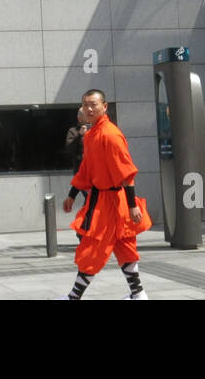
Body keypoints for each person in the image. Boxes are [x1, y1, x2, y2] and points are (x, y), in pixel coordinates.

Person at [59, 90, 152, 300]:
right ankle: (138, 294)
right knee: (123, 246)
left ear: (105, 106)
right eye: (85, 105)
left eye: (93, 104)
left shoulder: (110, 134)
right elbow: (86, 169)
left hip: (111, 201)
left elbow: (126, 171)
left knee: (93, 247)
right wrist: (72, 194)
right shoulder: (92, 135)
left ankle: (74, 296)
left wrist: (132, 205)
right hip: (102, 199)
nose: (89, 109)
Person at [64, 105, 90, 172]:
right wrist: (79, 135)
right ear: (79, 118)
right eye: (86, 115)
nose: (89, 116)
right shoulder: (73, 131)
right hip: (80, 168)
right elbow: (70, 149)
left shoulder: (95, 128)